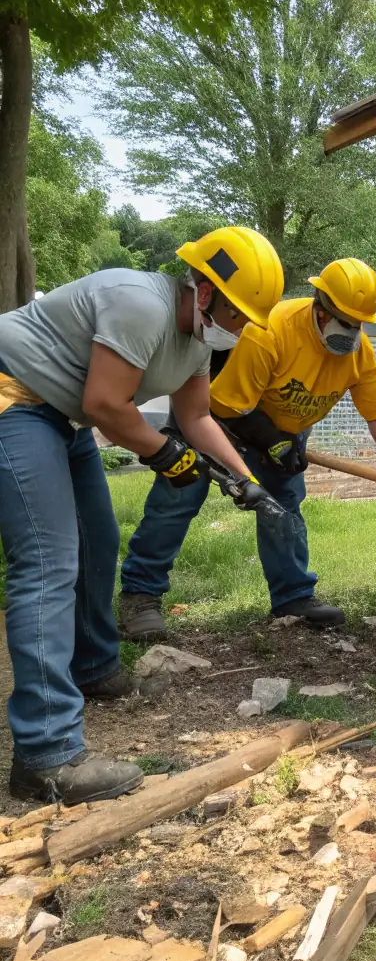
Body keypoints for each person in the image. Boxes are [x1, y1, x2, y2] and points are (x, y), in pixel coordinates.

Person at [0, 226, 285, 804]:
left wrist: (245, 481)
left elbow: (198, 418)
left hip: (64, 415)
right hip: (14, 397)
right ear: (204, 291)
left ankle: (92, 668)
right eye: (234, 313)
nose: (237, 328)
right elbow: (107, 404)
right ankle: (45, 754)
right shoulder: (137, 302)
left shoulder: (200, 342)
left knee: (97, 543)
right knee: (48, 563)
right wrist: (162, 454)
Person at [118, 258, 376, 636]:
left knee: (282, 507)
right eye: (343, 321)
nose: (351, 331)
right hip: (216, 421)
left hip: (285, 432)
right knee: (178, 499)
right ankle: (140, 597)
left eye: (357, 323)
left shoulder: (358, 354)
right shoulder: (271, 330)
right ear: (320, 308)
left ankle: (293, 597)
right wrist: (271, 440)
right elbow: (224, 405)